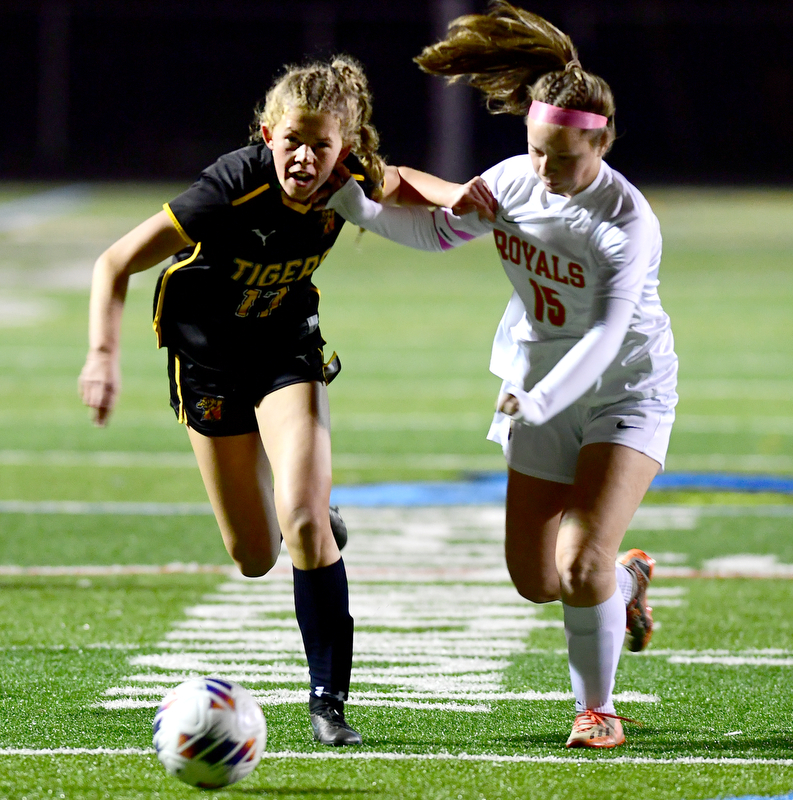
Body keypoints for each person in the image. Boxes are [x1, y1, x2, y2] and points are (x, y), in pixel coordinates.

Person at [326, 2, 678, 749]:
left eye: (562, 158)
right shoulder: (516, 179)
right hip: (538, 384)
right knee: (536, 579)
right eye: (535, 151)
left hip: (622, 389)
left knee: (578, 561)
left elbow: (605, 335)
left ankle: (596, 710)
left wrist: (538, 397)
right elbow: (435, 231)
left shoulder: (626, 220)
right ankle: (628, 583)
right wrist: (352, 203)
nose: (544, 171)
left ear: (603, 141)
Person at [78, 55, 398, 747]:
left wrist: (467, 196)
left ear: (346, 149)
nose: (307, 158)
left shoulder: (351, 177)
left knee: (305, 523)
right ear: (266, 135)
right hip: (207, 364)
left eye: (323, 145)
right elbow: (114, 262)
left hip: (286, 349)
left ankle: (328, 702)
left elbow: (404, 184)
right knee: (254, 555)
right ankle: (299, 509)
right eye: (293, 142)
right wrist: (103, 356)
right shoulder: (229, 187)